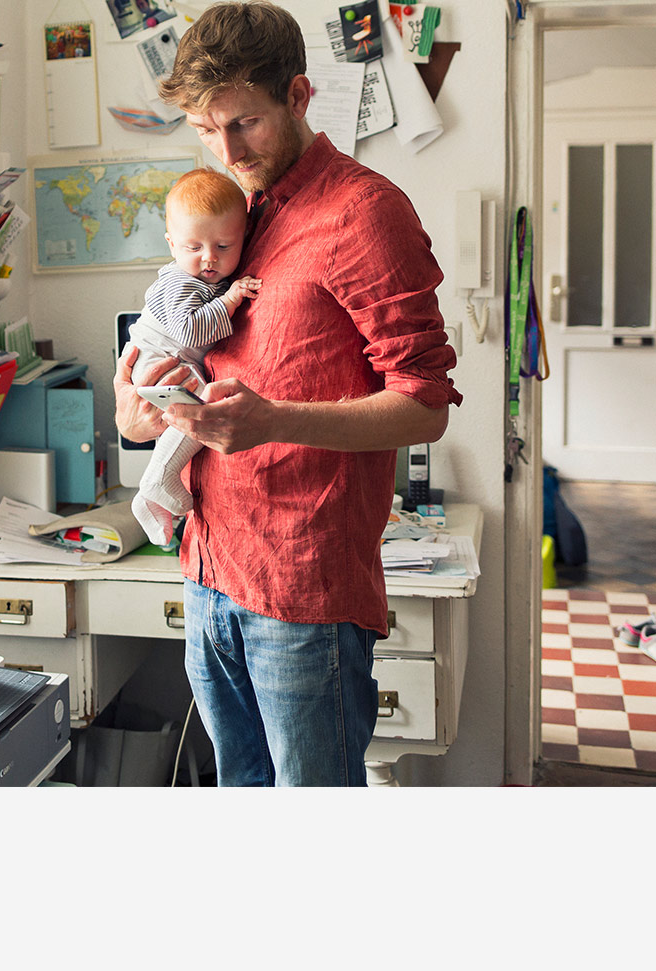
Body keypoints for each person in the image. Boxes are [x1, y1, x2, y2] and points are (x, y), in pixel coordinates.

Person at [113, 1, 462, 787]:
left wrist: (272, 421)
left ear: (299, 97)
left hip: (304, 590)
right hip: (208, 569)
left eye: (245, 124)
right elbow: (169, 349)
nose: (227, 151)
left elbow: (426, 403)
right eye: (205, 130)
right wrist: (132, 409)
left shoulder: (366, 215)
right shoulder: (234, 215)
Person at [127, 167, 261, 545]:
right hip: (157, 361)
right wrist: (232, 299)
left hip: (163, 361)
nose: (208, 259)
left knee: (197, 407)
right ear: (172, 244)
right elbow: (190, 330)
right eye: (194, 248)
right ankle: (157, 479)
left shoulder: (203, 277)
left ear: (244, 238)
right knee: (205, 405)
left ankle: (150, 496)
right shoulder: (182, 281)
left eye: (223, 247)